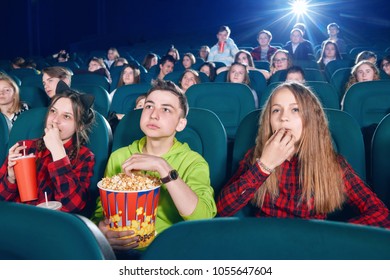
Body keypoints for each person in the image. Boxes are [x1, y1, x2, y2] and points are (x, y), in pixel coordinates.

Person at [216, 82, 390, 229]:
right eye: (276, 110)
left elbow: (381, 215)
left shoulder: (332, 164)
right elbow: (222, 209)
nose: (284, 117)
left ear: (309, 119)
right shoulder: (255, 157)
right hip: (265, 241)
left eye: (295, 110)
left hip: (313, 248)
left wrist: (333, 237)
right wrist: (264, 166)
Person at [92, 79, 217, 256]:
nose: (154, 115)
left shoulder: (193, 162)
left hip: (170, 252)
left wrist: (162, 167)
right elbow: (101, 210)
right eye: (149, 106)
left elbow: (203, 217)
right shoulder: (119, 157)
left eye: (166, 109)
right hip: (121, 252)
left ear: (180, 124)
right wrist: (102, 230)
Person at [0, 86, 96, 213]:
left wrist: (58, 152)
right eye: (53, 111)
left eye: (66, 116)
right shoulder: (25, 147)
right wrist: (10, 178)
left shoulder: (85, 156)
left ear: (79, 126)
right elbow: (2, 200)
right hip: (18, 221)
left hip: (53, 227)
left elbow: (73, 207)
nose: (55, 120)